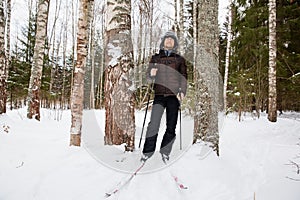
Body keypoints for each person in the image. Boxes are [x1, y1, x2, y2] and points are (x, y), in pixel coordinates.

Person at [141, 31, 187, 162]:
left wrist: (182, 91)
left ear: (175, 43)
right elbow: (148, 77)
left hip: (174, 96)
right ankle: (148, 152)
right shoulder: (155, 58)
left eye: (172, 39)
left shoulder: (179, 59)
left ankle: (165, 151)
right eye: (167, 39)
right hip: (159, 95)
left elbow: (183, 77)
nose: (169, 41)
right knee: (153, 125)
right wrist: (151, 73)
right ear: (163, 42)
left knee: (171, 126)